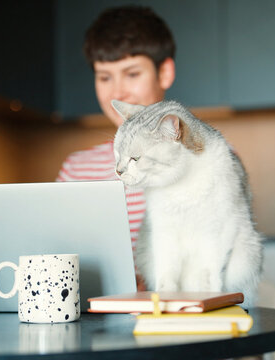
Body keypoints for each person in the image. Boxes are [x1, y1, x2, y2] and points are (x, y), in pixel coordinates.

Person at [56, 6, 176, 289]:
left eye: (132, 74)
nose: (116, 92)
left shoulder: (207, 156)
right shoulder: (76, 170)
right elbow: (58, 258)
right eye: (104, 77)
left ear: (165, 73)